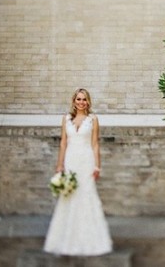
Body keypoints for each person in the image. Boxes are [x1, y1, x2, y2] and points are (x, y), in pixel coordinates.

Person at [44, 88, 112, 256]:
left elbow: (95, 144)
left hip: (86, 161)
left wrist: (97, 166)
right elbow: (63, 143)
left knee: (86, 194)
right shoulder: (66, 119)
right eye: (78, 99)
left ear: (88, 102)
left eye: (84, 99)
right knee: (69, 195)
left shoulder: (93, 119)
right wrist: (59, 165)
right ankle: (65, 239)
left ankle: (90, 240)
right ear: (74, 101)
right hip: (71, 160)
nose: (81, 102)